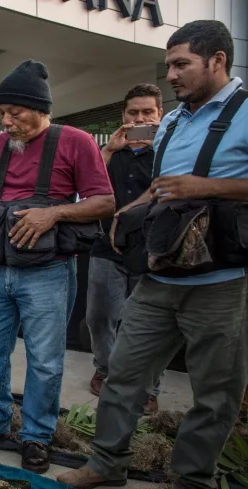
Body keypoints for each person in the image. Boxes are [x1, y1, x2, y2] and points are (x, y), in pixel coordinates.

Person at [58, 20, 248, 489]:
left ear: (218, 60)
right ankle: (107, 462)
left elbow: (189, 187)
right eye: (169, 65)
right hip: (160, 276)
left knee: (214, 395)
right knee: (122, 372)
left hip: (221, 284)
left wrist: (204, 187)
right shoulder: (173, 122)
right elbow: (164, 185)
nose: (172, 75)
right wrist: (133, 207)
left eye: (182, 64)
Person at [0, 60, 114, 474]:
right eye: (2, 113)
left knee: (44, 359)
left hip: (48, 270)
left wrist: (54, 213)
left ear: (41, 108)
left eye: (15, 113)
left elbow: (104, 202)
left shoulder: (76, 141)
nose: (6, 122)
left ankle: (37, 435)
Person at [88, 84, 164, 414]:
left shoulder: (170, 151)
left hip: (153, 251)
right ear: (123, 115)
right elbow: (86, 189)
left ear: (159, 114)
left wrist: (161, 143)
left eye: (147, 112)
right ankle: (106, 369)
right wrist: (108, 150)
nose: (140, 119)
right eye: (133, 113)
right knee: (100, 318)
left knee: (149, 324)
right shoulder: (107, 153)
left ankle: (147, 387)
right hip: (106, 248)